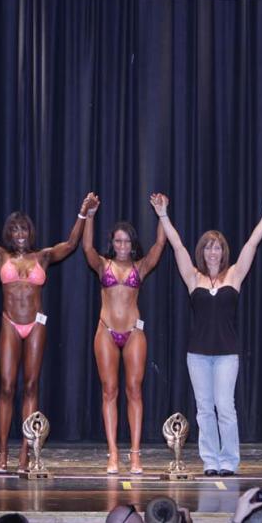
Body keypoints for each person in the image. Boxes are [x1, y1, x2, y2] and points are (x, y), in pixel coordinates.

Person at [0, 182, 93, 472]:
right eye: (14, 230)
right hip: (10, 323)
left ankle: (26, 451)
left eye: (24, 229)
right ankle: (2, 452)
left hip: (36, 324)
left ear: (30, 232)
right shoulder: (1, 255)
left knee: (31, 386)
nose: (20, 234)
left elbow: (72, 243)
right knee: (7, 386)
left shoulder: (43, 256)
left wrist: (83, 213)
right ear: (8, 234)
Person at [151, 192, 262, 476]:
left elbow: (252, 244)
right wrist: (163, 215)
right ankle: (210, 461)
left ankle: (229, 461)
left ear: (223, 251)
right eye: (208, 247)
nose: (212, 252)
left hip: (227, 354)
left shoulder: (234, 275)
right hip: (197, 354)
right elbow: (177, 245)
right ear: (202, 252)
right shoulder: (193, 277)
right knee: (204, 409)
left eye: (217, 247)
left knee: (225, 408)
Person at [82, 194, 167, 474]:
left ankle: (135, 454)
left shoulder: (139, 267)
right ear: (112, 243)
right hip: (106, 330)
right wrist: (90, 215)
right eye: (118, 241)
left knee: (134, 391)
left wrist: (162, 214)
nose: (122, 246)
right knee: (109, 391)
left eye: (127, 241)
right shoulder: (102, 265)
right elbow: (86, 247)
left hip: (133, 332)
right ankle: (113, 453)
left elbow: (159, 245)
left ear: (132, 244)